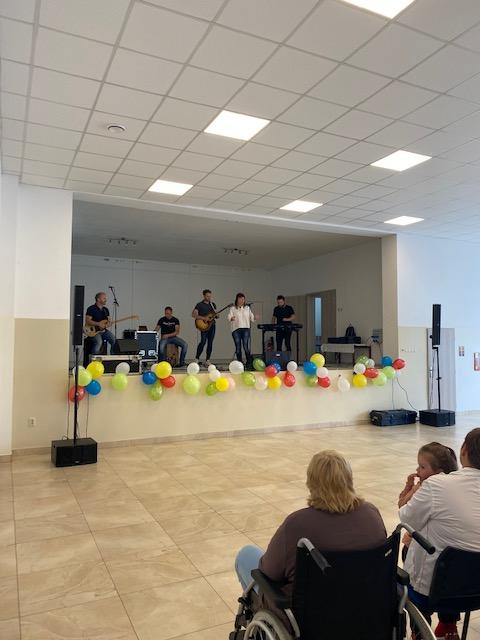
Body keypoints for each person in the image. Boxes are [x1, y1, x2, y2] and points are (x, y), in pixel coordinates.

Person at [235, 450, 386, 610]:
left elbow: (268, 572)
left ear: (311, 483)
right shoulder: (372, 514)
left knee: (245, 555)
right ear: (349, 479)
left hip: (310, 613)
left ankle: (256, 614)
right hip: (367, 607)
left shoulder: (297, 525)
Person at [399, 428, 480, 640]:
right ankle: (448, 626)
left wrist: (413, 491)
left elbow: (406, 518)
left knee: (411, 549)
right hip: (477, 590)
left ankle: (420, 629)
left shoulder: (436, 485)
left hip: (435, 592)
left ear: (463, 450)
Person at [398, 443, 457, 560]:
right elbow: (402, 505)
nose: (417, 470)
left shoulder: (428, 490)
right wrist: (409, 486)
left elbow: (405, 514)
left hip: (425, 546)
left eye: (422, 467)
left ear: (438, 472)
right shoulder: (420, 486)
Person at [228, 293, 255, 365]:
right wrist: (231, 318)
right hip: (236, 329)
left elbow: (252, 318)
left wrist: (254, 317)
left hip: (246, 329)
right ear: (237, 299)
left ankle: (249, 362)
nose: (242, 301)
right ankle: (240, 363)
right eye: (240, 299)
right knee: (238, 347)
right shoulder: (233, 308)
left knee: (246, 346)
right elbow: (229, 317)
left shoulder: (247, 308)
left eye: (243, 299)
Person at [192, 289, 217, 366]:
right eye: (207, 296)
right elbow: (194, 315)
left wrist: (217, 315)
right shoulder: (199, 305)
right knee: (203, 342)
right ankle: (197, 358)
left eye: (210, 296)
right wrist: (204, 318)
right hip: (204, 326)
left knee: (210, 343)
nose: (209, 297)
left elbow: (215, 315)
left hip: (212, 326)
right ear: (204, 296)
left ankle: (207, 360)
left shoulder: (213, 304)